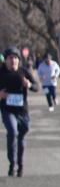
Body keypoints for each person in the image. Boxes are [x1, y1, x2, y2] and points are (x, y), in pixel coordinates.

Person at [0, 47, 39, 176]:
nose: (13, 60)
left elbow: (36, 87)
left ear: (19, 60)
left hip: (22, 111)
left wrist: (29, 85)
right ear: (6, 60)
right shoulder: (1, 73)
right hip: (7, 110)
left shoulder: (24, 72)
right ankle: (12, 163)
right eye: (10, 58)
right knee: (13, 132)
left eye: (16, 58)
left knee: (22, 135)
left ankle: (20, 164)